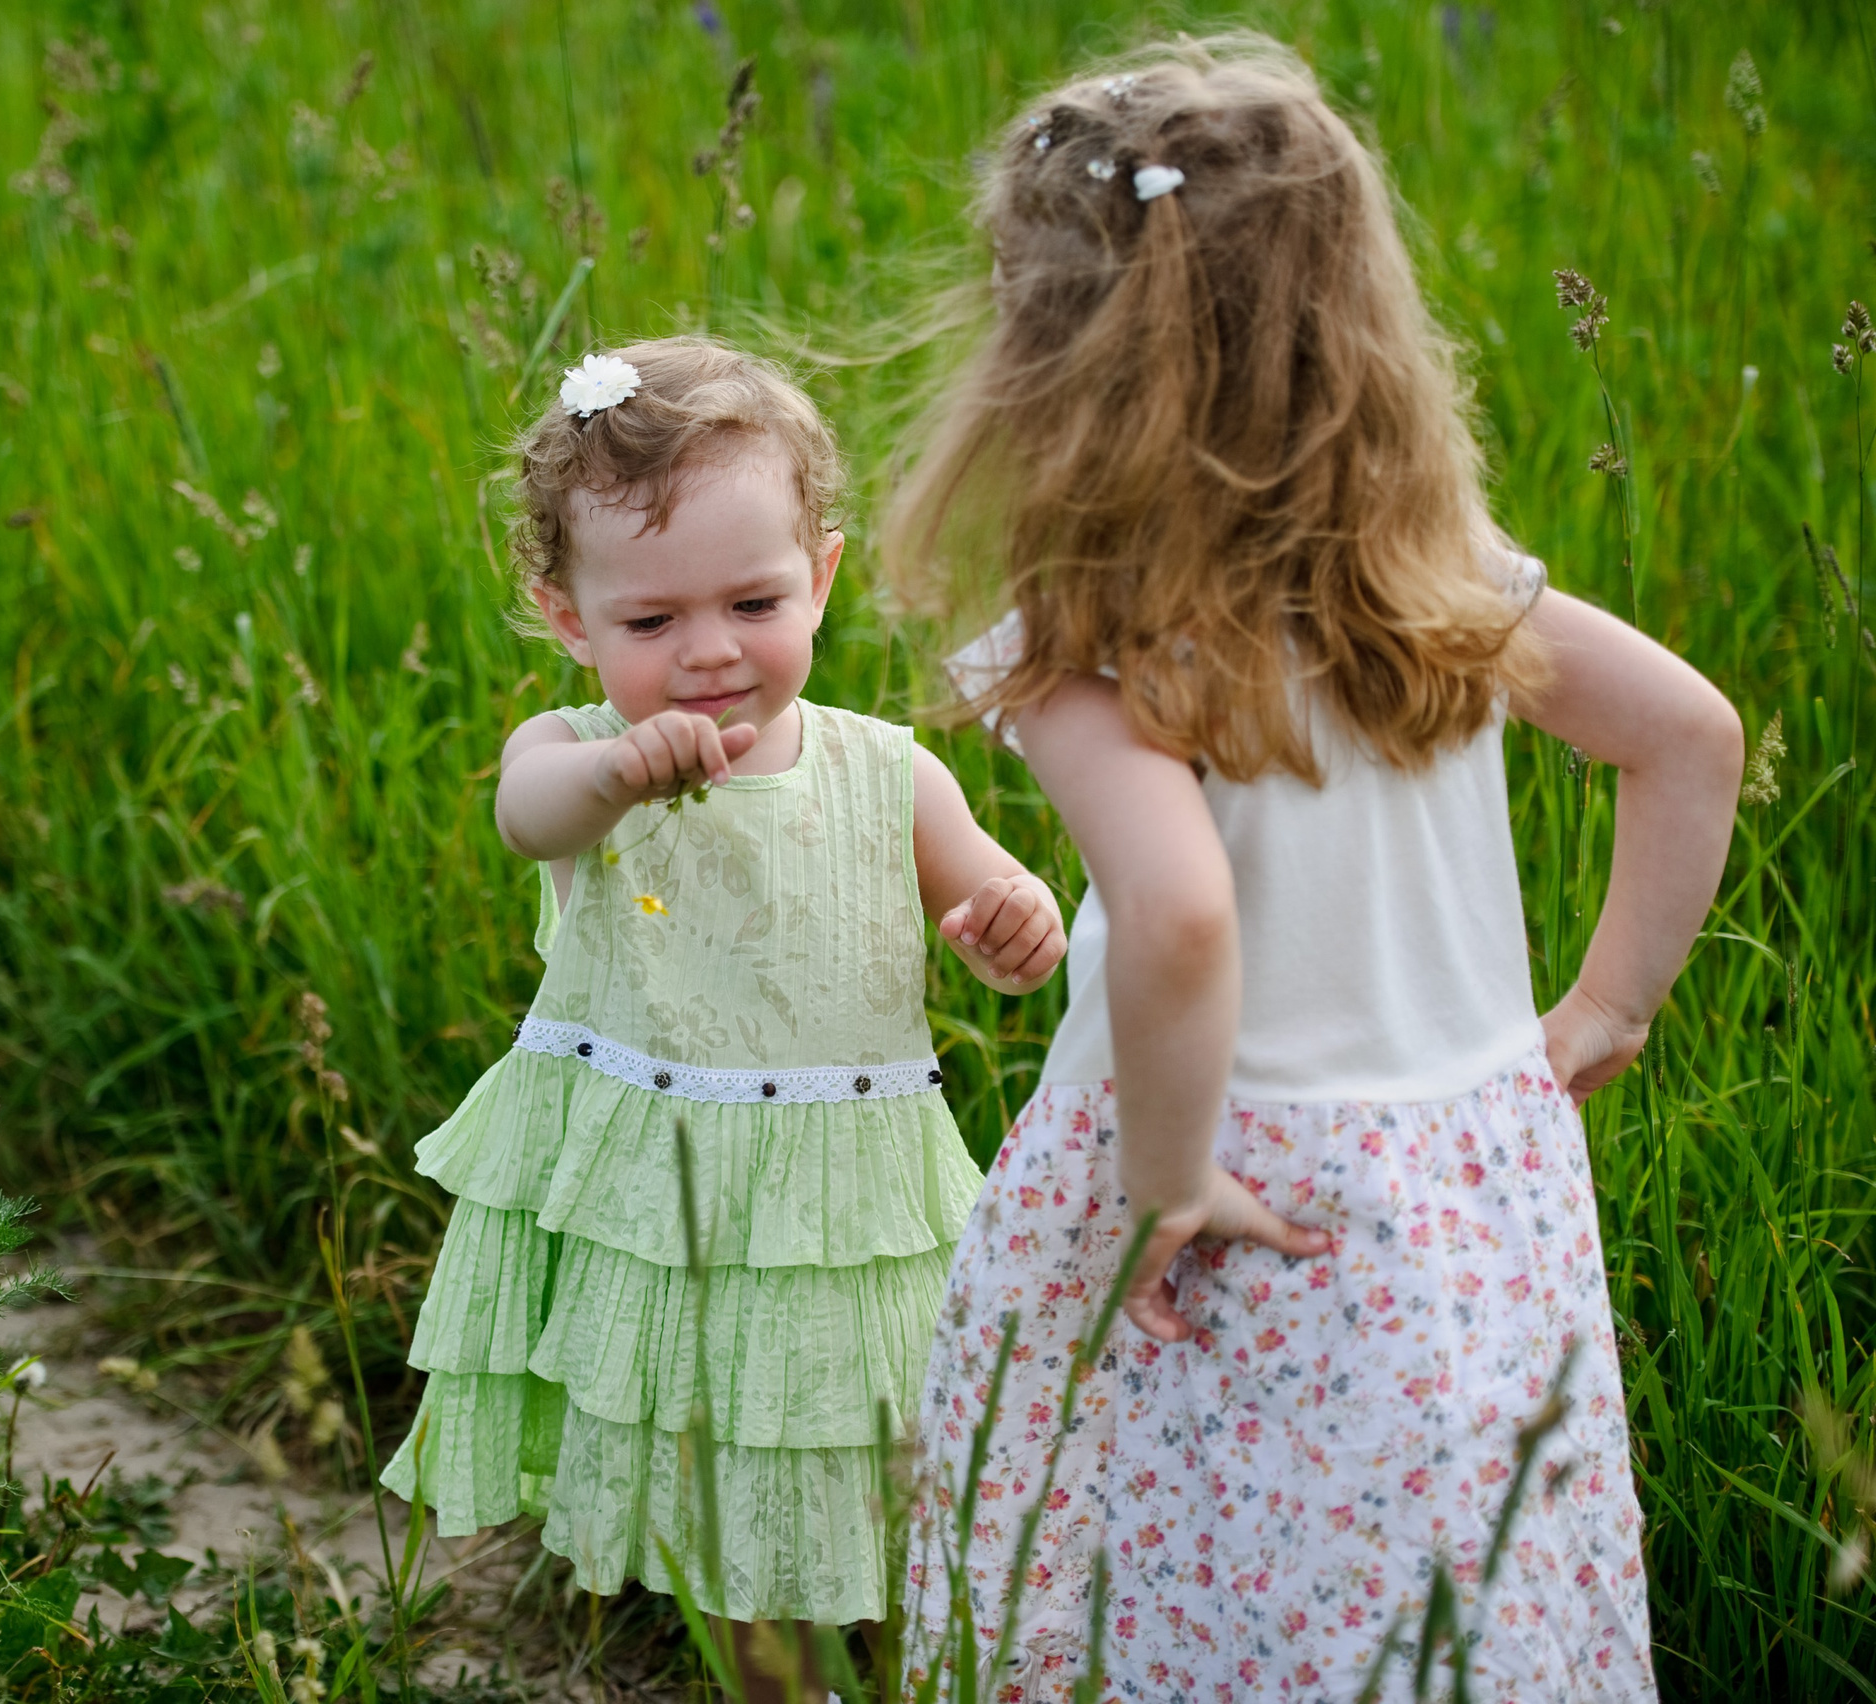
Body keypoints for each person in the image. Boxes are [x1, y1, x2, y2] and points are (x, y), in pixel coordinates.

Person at [884, 36, 1740, 1703]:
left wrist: (1163, 1180)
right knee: (1430, 1590)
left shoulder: (1085, 645)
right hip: (1465, 1189)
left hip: (1233, 1179)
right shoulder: (1446, 580)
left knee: (1170, 1563)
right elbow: (1690, 740)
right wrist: (1610, 1001)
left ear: (1053, 376)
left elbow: (1185, 912)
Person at [380, 336, 1067, 1701]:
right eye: (651, 624)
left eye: (753, 603)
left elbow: (993, 905)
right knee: (741, 1522)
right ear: (569, 615)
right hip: (670, 1210)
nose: (708, 654)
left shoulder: (890, 773)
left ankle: (920, 1660)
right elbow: (531, 822)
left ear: (820, 573)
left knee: (892, 1480)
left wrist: (1014, 927)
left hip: (845, 1214)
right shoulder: (570, 756)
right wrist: (619, 771)